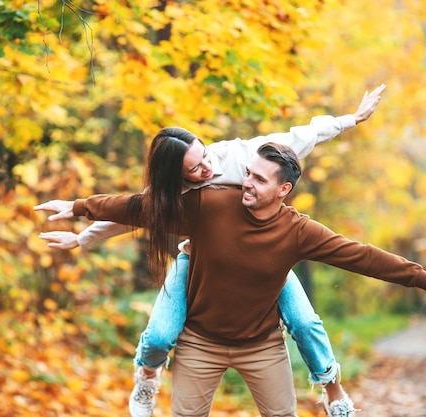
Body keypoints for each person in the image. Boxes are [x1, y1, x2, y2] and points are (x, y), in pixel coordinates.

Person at [36, 142, 426, 417]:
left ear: (283, 189)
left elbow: (361, 256)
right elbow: (140, 207)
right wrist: (78, 207)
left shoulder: (299, 231)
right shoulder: (209, 205)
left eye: (256, 179)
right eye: (246, 173)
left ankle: (332, 388)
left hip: (262, 347)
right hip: (199, 344)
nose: (243, 183)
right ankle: (146, 375)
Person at [35, 85, 387, 417]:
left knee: (305, 322)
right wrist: (83, 238)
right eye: (196, 170)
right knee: (159, 335)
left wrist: (351, 119)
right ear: (177, 177)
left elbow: (302, 136)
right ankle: (146, 378)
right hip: (201, 257)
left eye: (204, 154)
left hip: (264, 258)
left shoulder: (239, 155)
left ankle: (333, 391)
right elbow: (134, 213)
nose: (208, 168)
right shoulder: (177, 194)